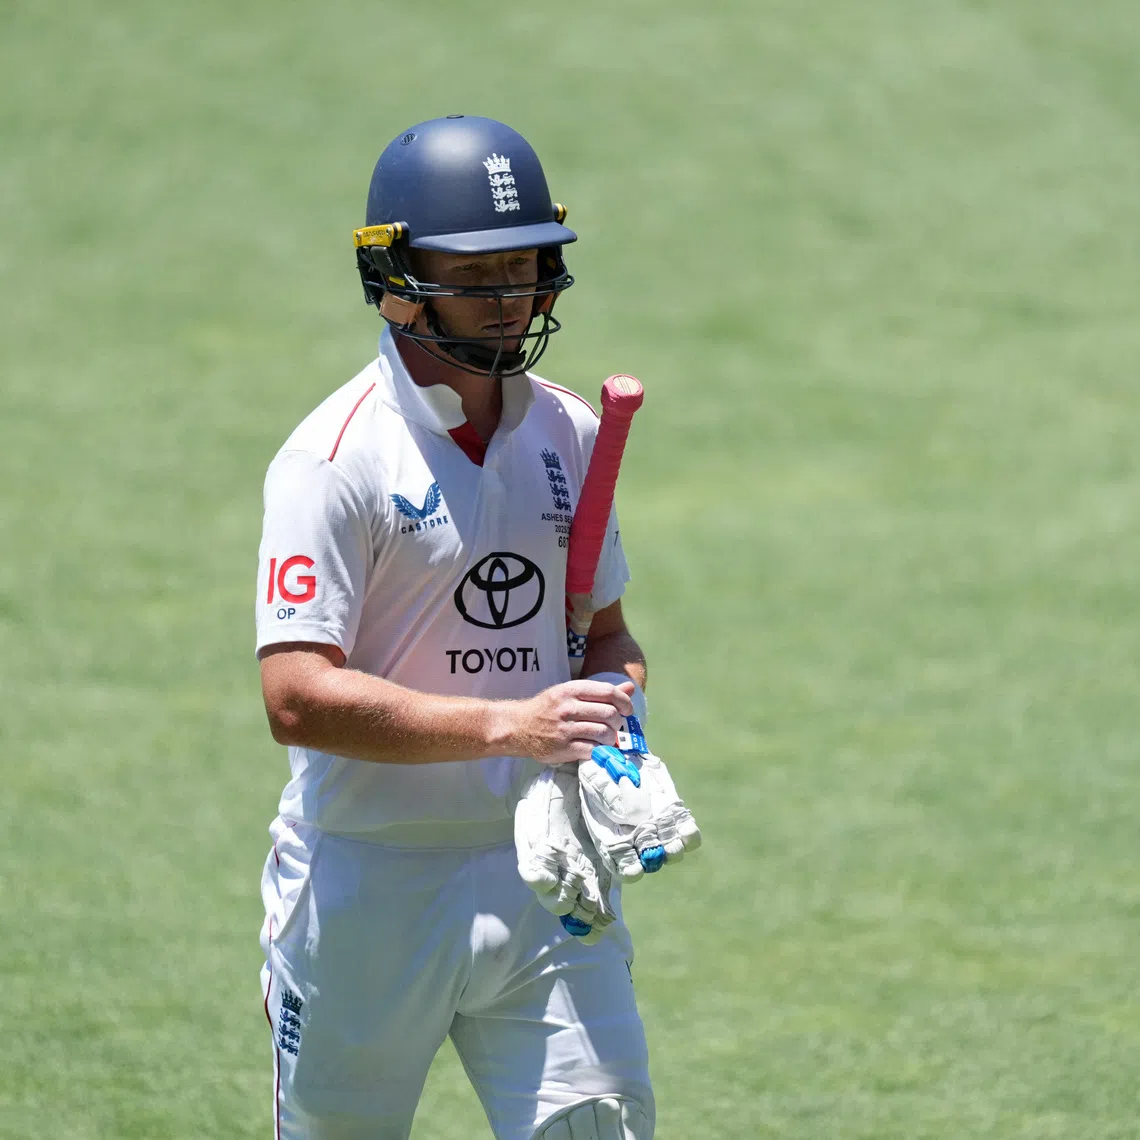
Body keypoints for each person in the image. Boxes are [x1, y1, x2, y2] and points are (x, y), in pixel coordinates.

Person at [255, 115, 657, 1140]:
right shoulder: (332, 461)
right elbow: (296, 698)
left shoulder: (569, 429)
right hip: (365, 887)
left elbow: (606, 634)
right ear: (395, 280)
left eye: (525, 266)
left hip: (544, 874)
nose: (511, 296)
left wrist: (617, 712)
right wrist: (510, 727)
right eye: (478, 274)